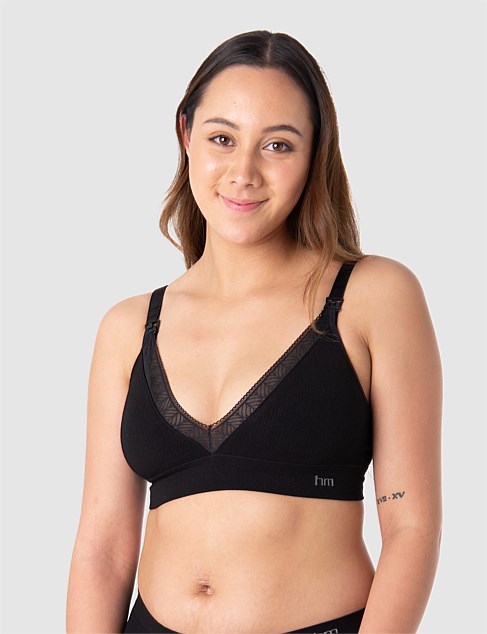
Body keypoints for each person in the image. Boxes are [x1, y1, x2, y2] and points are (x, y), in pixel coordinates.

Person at [66, 30, 442, 634]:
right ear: (186, 134)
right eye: (222, 138)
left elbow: (411, 528)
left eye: (277, 145)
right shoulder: (129, 328)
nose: (243, 172)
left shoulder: (372, 296)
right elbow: (102, 550)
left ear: (315, 153)